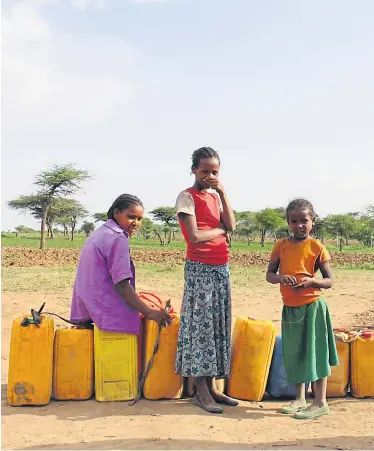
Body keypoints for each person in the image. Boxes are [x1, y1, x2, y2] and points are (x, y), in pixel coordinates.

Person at [174, 146, 238, 414]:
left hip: (220, 268)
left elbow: (231, 225)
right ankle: (200, 392)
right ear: (193, 170)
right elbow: (195, 237)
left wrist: (222, 192)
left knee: (217, 326)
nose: (210, 176)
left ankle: (212, 388)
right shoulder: (186, 197)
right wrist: (220, 229)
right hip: (200, 268)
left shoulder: (215, 197)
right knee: (201, 328)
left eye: (215, 171)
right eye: (204, 171)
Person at [266, 198, 339, 420]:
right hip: (290, 308)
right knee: (294, 353)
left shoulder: (317, 247)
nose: (299, 225)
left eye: (304, 221)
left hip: (313, 307)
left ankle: (320, 402)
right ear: (288, 222)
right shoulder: (281, 246)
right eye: (294, 221)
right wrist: (281, 278)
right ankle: (300, 398)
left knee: (316, 353)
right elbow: (269, 275)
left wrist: (311, 282)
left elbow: (329, 281)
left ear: (312, 221)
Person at [70, 194, 171, 333]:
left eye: (139, 219)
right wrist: (149, 312)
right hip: (109, 314)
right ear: (117, 213)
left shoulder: (101, 232)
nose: (136, 223)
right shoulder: (117, 238)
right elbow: (122, 284)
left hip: (88, 308)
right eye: (131, 217)